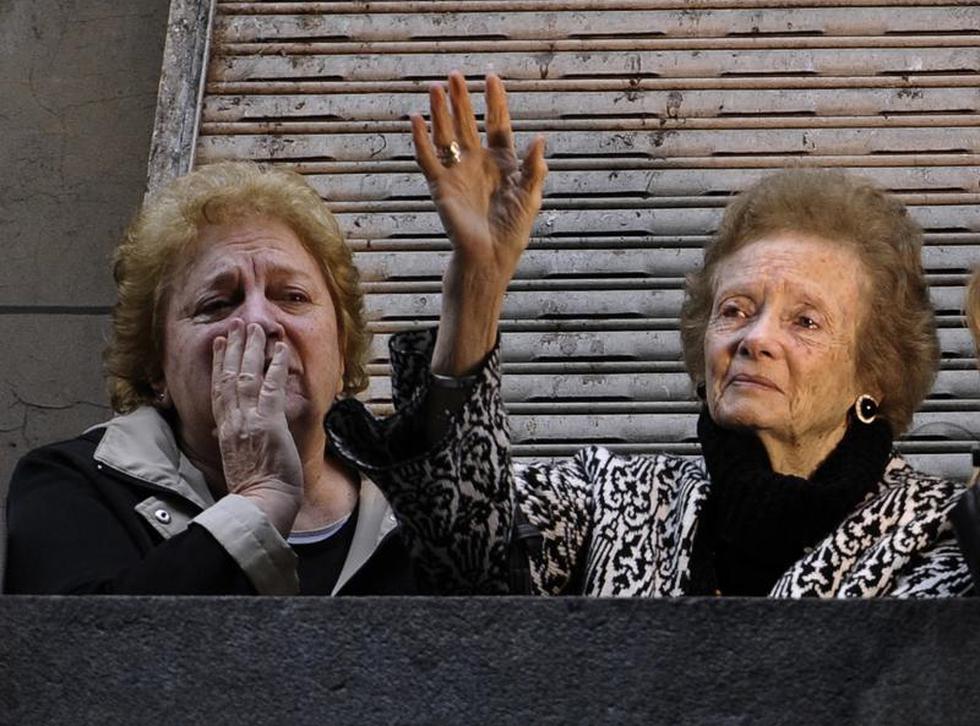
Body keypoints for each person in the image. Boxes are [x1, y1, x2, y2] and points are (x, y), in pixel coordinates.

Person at [326, 72, 973, 597]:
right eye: (736, 310)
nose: (755, 338)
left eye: (805, 321)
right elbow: (463, 554)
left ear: (875, 373)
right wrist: (478, 285)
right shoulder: (617, 500)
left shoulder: (938, 533)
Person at [5, 161, 432, 594]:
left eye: (293, 296)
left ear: (342, 349)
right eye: (218, 304)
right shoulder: (73, 484)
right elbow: (88, 652)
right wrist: (257, 502)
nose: (261, 321)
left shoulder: (419, 511)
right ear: (156, 370)